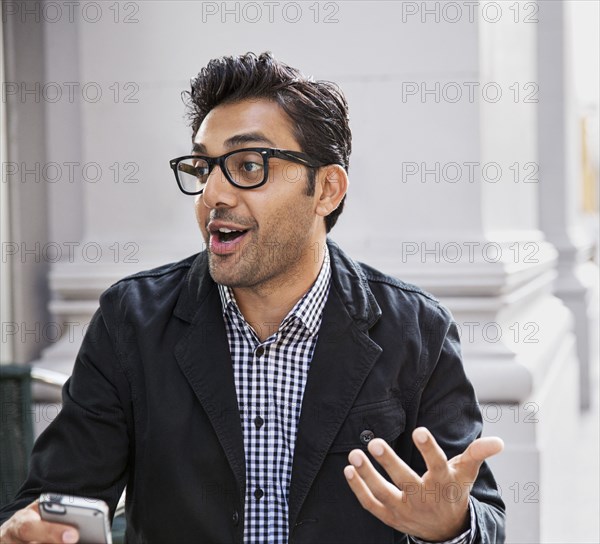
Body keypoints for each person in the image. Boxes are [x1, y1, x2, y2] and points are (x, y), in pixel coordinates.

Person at [0, 51, 505, 543]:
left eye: (247, 165)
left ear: (326, 189)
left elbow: (480, 516)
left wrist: (448, 528)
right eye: (203, 168)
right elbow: (55, 496)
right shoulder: (130, 319)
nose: (212, 195)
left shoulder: (416, 327)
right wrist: (32, 529)